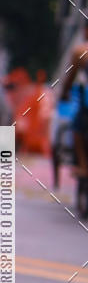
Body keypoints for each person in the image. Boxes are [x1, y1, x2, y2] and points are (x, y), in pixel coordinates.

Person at [60, 19, 88, 176]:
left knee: (77, 129)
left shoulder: (81, 51)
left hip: (86, 104)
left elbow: (69, 79)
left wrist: (64, 94)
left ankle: (84, 166)